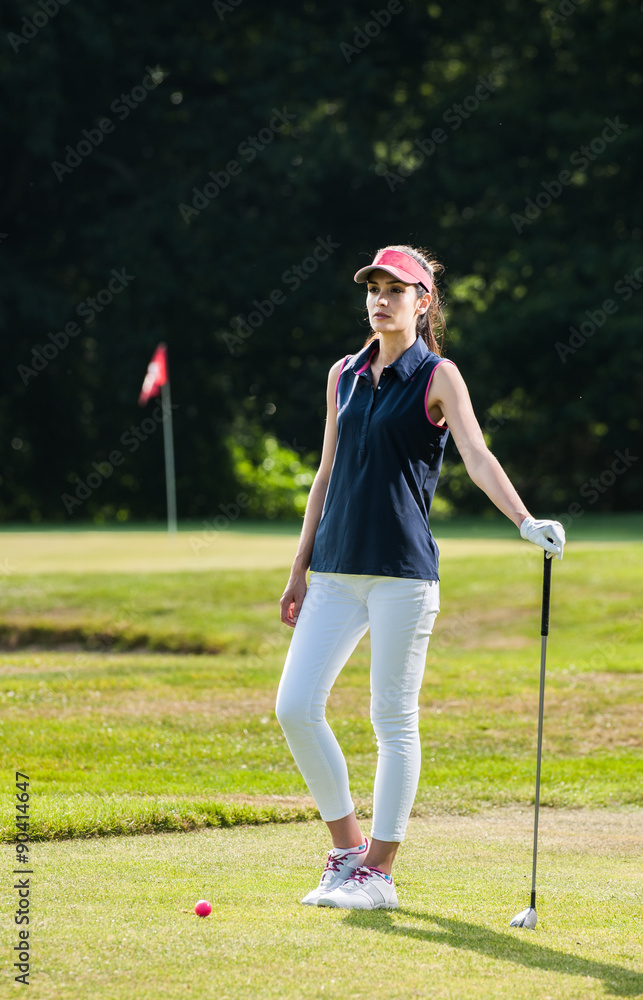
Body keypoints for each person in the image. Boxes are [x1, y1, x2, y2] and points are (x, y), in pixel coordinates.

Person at [275, 244, 565, 911]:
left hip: (402, 574)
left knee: (391, 719)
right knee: (295, 706)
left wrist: (525, 521)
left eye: (395, 290)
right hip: (335, 570)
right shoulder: (343, 374)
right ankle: (347, 851)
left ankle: (379, 874)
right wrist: (298, 567)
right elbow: (325, 473)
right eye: (373, 289)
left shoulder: (438, 375)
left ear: (422, 301)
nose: (380, 300)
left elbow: (477, 455)